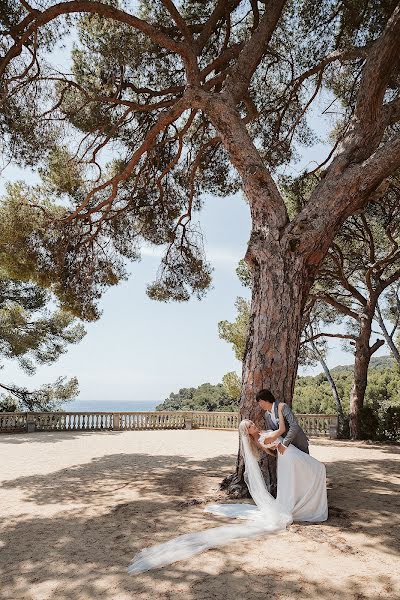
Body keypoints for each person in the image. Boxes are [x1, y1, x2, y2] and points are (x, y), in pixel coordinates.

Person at [128, 403, 327, 575]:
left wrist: (276, 441)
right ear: (247, 432)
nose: (253, 425)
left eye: (251, 423)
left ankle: (306, 498)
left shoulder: (261, 436)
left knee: (314, 472)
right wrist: (281, 415)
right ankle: (307, 501)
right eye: (249, 426)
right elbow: (280, 434)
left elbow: (274, 448)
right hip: (288, 454)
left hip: (288, 456)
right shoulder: (261, 439)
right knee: (318, 470)